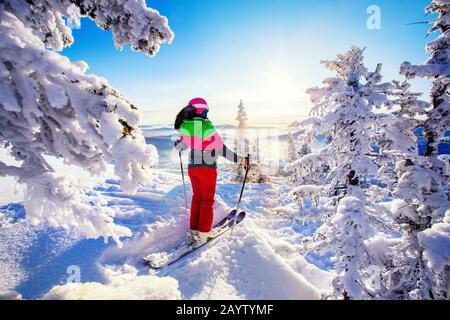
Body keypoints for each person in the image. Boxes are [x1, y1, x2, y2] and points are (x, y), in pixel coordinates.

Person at [174, 97, 249, 245]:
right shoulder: (207, 128)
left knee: (197, 198)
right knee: (207, 201)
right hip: (206, 170)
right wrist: (241, 160)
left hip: (193, 169)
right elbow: (223, 150)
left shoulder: (186, 127)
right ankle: (203, 235)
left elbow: (180, 147)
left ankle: (194, 231)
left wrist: (179, 144)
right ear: (203, 110)